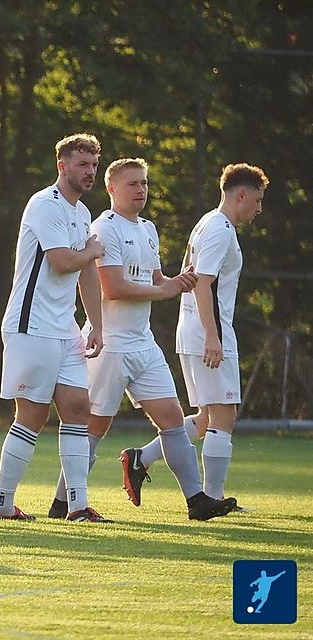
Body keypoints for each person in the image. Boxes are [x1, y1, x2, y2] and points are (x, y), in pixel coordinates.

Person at [46, 158, 237, 521]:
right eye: (132, 184)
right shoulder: (105, 227)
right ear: (111, 189)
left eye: (144, 184)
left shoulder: (148, 228)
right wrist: (164, 293)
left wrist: (177, 282)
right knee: (94, 427)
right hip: (110, 345)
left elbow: (154, 279)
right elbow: (114, 288)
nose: (140, 190)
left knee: (172, 416)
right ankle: (63, 504)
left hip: (142, 342)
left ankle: (197, 501)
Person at [121, 163, 268, 507]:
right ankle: (213, 498)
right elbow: (203, 284)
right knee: (223, 415)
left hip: (192, 330)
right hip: (207, 333)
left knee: (205, 417)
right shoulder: (219, 229)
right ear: (241, 195)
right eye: (257, 201)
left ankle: (140, 459)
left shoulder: (209, 222)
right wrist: (213, 337)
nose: (259, 209)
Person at [0, 133, 108, 523]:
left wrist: (96, 324)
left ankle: (77, 506)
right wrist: (90, 251)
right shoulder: (44, 204)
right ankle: (2, 505)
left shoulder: (82, 213)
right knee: (33, 415)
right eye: (82, 164)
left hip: (64, 328)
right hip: (30, 325)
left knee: (78, 408)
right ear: (62, 165)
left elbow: (87, 271)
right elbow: (61, 261)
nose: (90, 171)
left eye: (93, 164)